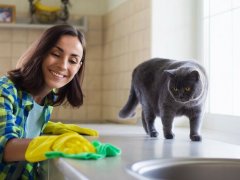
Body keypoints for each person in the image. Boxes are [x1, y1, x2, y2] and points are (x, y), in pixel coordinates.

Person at [0, 24, 89, 179]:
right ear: (40, 53)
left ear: (79, 67)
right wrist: (55, 143)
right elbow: (5, 148)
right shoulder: (5, 90)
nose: (63, 65)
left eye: (73, 60)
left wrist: (49, 128)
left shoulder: (48, 98)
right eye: (55, 53)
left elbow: (26, 125)